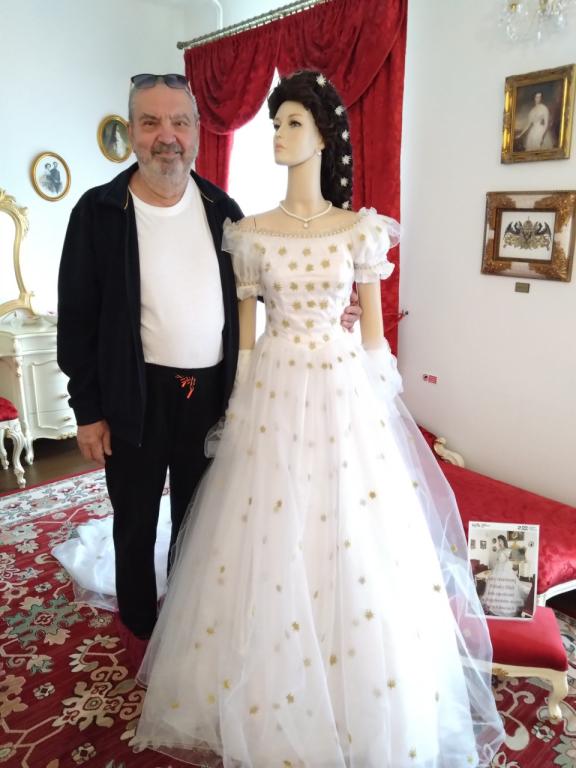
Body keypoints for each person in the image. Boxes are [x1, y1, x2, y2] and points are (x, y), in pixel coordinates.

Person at [132, 71, 504, 767]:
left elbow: (374, 338)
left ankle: (358, 695)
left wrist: (381, 414)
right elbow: (245, 342)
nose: (277, 135)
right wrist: (240, 407)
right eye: (275, 124)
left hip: (341, 390)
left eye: (292, 123)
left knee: (352, 535)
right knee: (264, 534)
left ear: (325, 135)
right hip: (274, 388)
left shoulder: (360, 230)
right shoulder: (250, 234)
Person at [56, 73, 361, 665]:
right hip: (135, 395)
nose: (166, 136)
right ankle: (140, 625)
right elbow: (77, 320)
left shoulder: (225, 210)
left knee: (199, 522)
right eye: (151, 122)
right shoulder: (98, 212)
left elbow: (268, 284)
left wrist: (333, 301)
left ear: (197, 131)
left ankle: (185, 622)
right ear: (132, 132)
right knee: (135, 518)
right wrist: (87, 411)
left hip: (213, 396)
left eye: (180, 122)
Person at [482, 534, 529, 617]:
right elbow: (497, 562)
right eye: (498, 541)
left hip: (504, 571)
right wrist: (492, 570)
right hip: (497, 570)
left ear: (504, 541)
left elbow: (511, 560)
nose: (499, 542)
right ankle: (492, 605)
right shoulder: (499, 550)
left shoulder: (507, 550)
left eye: (500, 540)